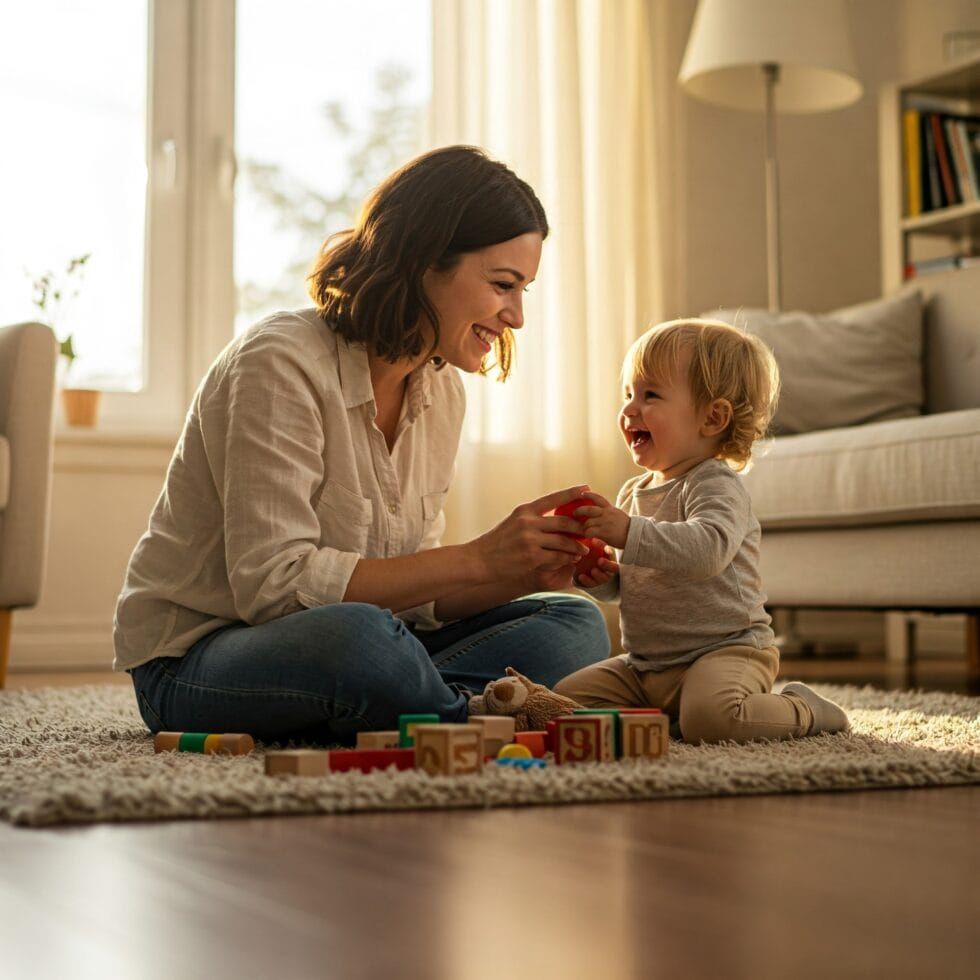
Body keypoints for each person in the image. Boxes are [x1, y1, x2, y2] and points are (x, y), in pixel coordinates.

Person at [114, 145, 609, 744]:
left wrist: (518, 570)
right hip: (197, 662)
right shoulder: (280, 362)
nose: (517, 317)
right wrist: (477, 557)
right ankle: (460, 718)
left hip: (367, 643)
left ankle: (426, 707)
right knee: (360, 642)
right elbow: (273, 589)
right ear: (426, 260)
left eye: (523, 289)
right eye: (504, 285)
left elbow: (416, 601)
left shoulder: (442, 393)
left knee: (573, 620)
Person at [553, 318, 850, 743]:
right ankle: (676, 714)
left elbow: (707, 550)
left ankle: (803, 709)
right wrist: (603, 580)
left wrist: (627, 533)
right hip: (647, 664)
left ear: (712, 418)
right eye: (628, 394)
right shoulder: (633, 492)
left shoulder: (715, 483)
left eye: (650, 395)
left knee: (716, 722)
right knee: (565, 702)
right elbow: (643, 579)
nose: (629, 409)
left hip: (728, 650)